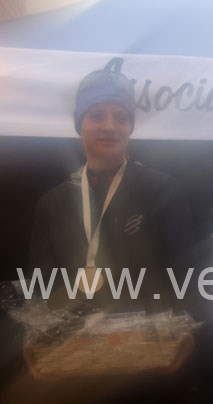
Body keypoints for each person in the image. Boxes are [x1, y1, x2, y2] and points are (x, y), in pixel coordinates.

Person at [28, 67, 192, 315]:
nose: (109, 126)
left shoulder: (163, 192)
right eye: (96, 116)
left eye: (121, 117)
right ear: (79, 125)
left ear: (130, 128)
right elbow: (43, 288)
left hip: (150, 334)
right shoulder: (53, 203)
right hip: (74, 335)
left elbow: (186, 279)